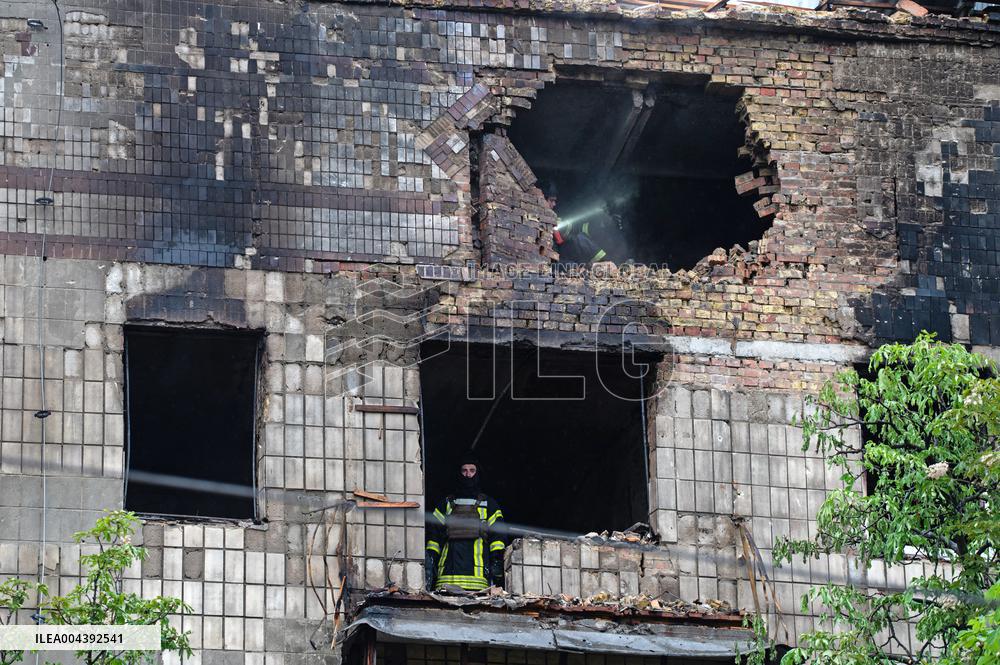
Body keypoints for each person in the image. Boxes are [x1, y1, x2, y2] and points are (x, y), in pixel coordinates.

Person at [425, 455, 505, 592]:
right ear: (459, 473)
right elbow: (434, 538)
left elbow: (498, 539)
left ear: (478, 473)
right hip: (447, 580)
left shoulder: (490, 505)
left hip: (478, 583)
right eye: (464, 470)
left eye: (472, 470)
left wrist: (497, 561)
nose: (468, 475)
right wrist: (430, 560)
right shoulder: (446, 504)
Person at [543, 182, 608, 265]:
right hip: (550, 261)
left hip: (559, 256)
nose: (554, 204)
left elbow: (560, 238)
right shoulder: (535, 220)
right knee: (579, 240)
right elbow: (557, 240)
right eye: (551, 200)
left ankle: (602, 263)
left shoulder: (554, 218)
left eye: (555, 201)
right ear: (542, 199)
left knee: (579, 239)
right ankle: (602, 263)